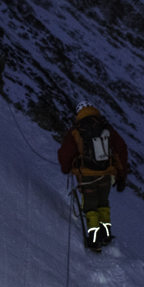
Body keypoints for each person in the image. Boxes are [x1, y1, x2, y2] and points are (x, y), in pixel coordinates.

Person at [58, 101, 129, 250]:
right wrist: (121, 175)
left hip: (86, 176)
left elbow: (66, 154)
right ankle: (106, 235)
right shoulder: (106, 127)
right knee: (103, 204)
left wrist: (66, 168)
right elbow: (120, 150)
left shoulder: (76, 130)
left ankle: (95, 240)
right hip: (106, 174)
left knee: (90, 206)